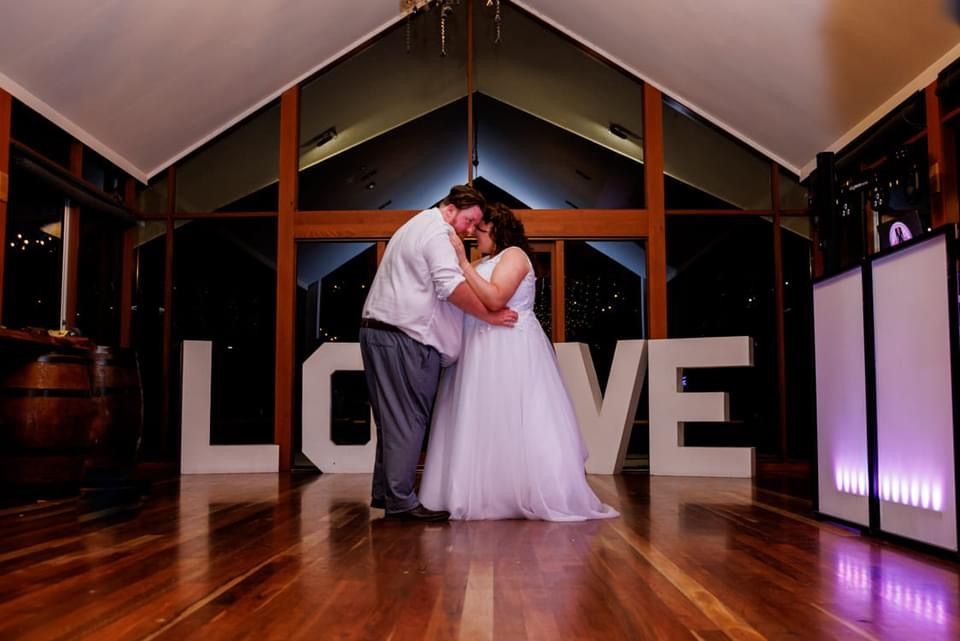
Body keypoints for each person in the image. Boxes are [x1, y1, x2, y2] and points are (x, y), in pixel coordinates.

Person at [419, 203, 619, 521]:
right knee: (483, 420)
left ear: (497, 230)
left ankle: (522, 492)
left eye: (481, 230)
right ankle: (484, 493)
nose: (475, 236)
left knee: (515, 417)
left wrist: (460, 262)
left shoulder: (514, 255)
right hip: (480, 348)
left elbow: (496, 297)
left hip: (508, 347)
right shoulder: (484, 260)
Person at [359, 185, 518, 522]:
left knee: (391, 421)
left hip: (379, 331)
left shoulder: (414, 225)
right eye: (470, 220)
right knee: (408, 420)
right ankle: (401, 501)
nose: (472, 230)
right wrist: (488, 315)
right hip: (406, 337)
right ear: (452, 210)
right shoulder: (438, 232)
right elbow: (449, 286)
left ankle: (386, 493)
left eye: (477, 225)